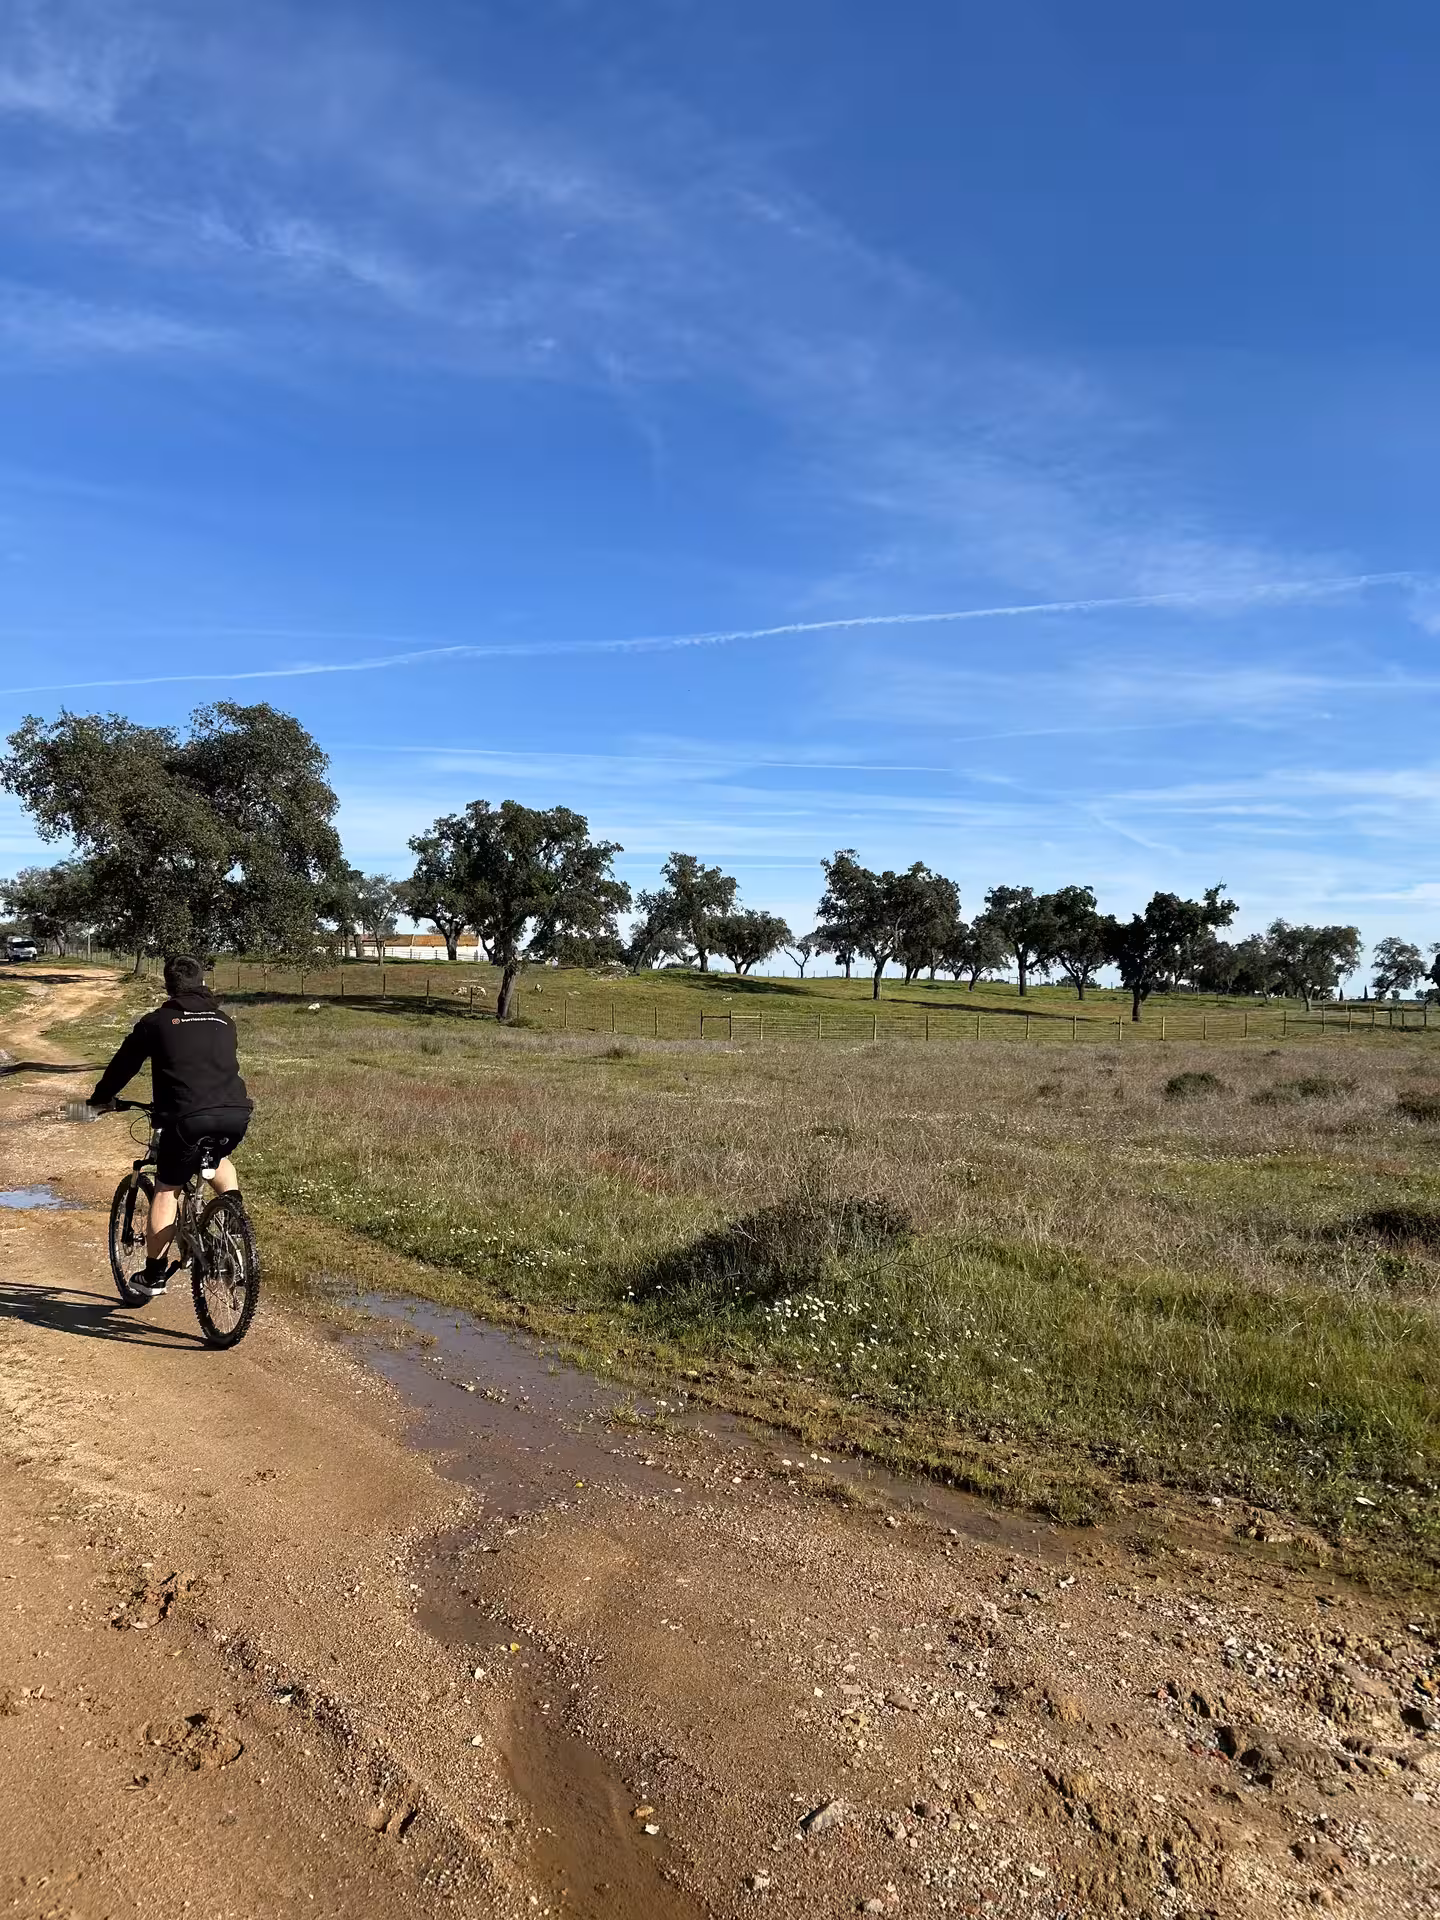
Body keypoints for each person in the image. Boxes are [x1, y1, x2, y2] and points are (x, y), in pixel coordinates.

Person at [89, 954, 252, 1297]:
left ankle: (154, 1275)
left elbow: (124, 1066)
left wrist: (101, 1098)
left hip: (185, 1119)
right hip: (235, 1114)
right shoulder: (224, 1021)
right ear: (202, 982)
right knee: (218, 1159)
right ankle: (235, 1223)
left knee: (167, 1188)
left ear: (168, 985)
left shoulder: (156, 1022)